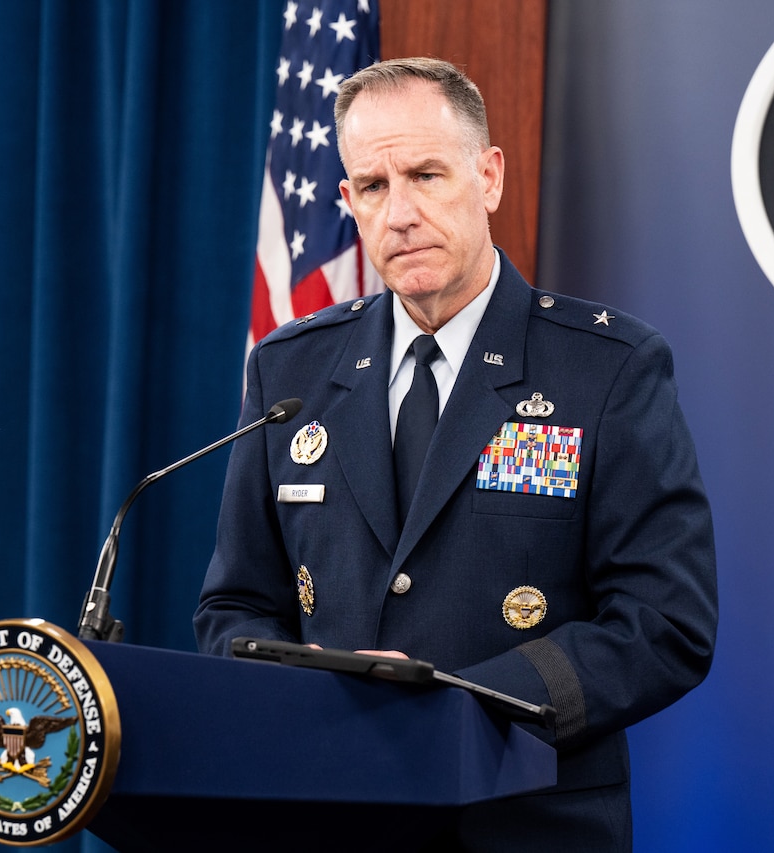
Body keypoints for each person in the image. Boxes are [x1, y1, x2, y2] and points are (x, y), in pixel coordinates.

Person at [194, 57, 717, 851]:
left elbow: (665, 622)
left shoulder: (607, 368)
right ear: (347, 205)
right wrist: (314, 693)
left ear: (489, 176)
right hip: (330, 813)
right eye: (372, 186)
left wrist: (450, 697)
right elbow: (232, 607)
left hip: (525, 818)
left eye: (427, 174)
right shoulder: (290, 369)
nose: (400, 212)